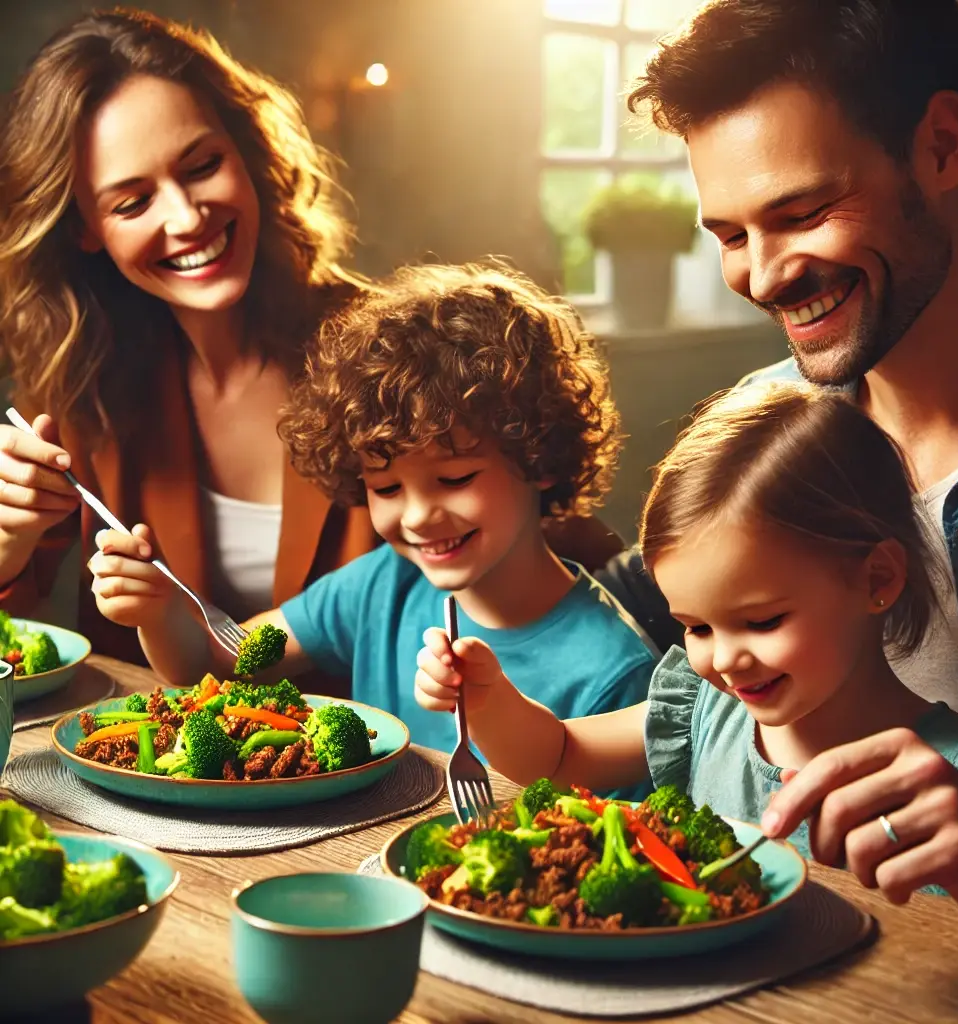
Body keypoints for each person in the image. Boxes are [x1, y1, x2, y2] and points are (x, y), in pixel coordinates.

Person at [0, 9, 620, 679]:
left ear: (247, 154)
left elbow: (557, 542)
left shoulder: (391, 360)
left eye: (203, 165)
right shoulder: (78, 384)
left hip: (395, 761)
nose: (185, 218)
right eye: (132, 202)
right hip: (163, 765)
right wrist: (9, 540)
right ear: (84, 230)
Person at [591, 0, 958, 914]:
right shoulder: (767, 417)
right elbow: (636, 586)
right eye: (731, 236)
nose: (762, 273)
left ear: (942, 145)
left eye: (803, 212)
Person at [415, 382, 958, 917]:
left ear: (876, 580)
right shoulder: (708, 709)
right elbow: (558, 755)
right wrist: (488, 700)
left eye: (761, 622)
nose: (725, 659)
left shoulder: (957, 782)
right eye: (697, 628)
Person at [87, 262, 659, 754]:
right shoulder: (381, 586)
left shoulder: (615, 672)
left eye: (455, 478)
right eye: (386, 489)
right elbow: (218, 662)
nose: (416, 517)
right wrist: (156, 611)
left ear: (540, 457)